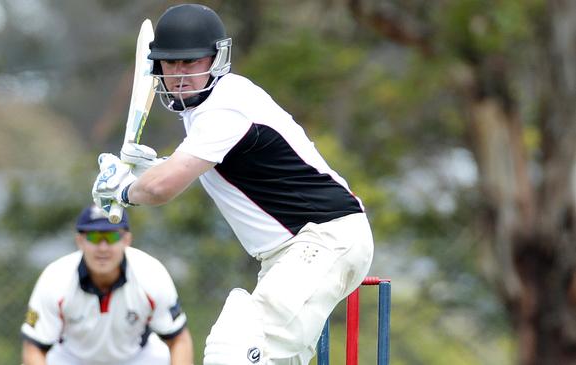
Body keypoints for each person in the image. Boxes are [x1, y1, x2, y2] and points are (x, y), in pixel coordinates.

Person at [92, 3, 374, 365]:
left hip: (323, 240)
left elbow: (162, 189)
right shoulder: (202, 111)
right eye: (171, 63)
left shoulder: (225, 106)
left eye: (191, 62)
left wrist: (126, 190)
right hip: (298, 251)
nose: (179, 74)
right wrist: (155, 168)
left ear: (215, 59)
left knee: (234, 350)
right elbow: (208, 171)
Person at [20, 204, 193, 365]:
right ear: (80, 241)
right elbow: (34, 347)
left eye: (111, 236)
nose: (103, 248)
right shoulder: (55, 279)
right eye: (94, 237)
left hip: (138, 357)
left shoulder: (151, 274)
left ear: (126, 239)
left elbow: (179, 339)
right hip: (72, 358)